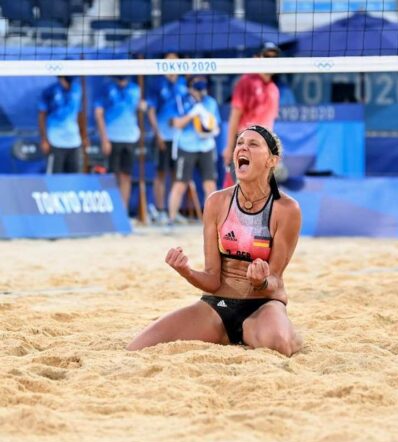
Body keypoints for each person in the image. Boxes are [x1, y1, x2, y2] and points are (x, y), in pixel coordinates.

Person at [127, 125, 303, 356]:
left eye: (253, 144)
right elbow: (212, 279)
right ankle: (229, 334)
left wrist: (260, 282)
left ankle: (281, 331)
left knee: (279, 345)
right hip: (217, 306)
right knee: (138, 347)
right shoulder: (216, 202)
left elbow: (275, 281)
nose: (243, 148)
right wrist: (186, 271)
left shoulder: (286, 209)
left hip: (262, 304)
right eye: (240, 143)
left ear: (272, 160)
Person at [221, 42, 281, 188]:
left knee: (258, 194)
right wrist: (229, 147)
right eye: (267, 56)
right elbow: (234, 117)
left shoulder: (274, 89)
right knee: (234, 191)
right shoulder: (246, 82)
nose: (270, 61)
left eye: (274, 58)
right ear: (257, 58)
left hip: (263, 148)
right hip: (244, 144)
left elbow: (270, 124)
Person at [166, 75, 221, 225]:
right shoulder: (181, 101)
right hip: (187, 146)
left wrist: (210, 130)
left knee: (210, 184)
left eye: (202, 89)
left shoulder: (210, 102)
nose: (200, 92)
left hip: (206, 146)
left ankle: (212, 221)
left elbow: (216, 126)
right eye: (197, 89)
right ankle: (171, 219)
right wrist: (192, 115)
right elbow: (175, 123)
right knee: (180, 184)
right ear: (190, 88)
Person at [146, 53, 188, 225]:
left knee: (177, 176)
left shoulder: (183, 84)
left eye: (175, 61)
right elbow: (150, 111)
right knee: (161, 174)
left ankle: (173, 211)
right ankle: (160, 209)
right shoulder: (157, 84)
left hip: (180, 138)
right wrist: (157, 134)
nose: (172, 64)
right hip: (163, 136)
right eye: (168, 61)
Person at [94, 75, 142, 210]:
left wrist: (142, 107)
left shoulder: (135, 89)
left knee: (126, 176)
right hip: (112, 138)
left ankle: (123, 211)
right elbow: (98, 114)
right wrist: (104, 139)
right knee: (111, 177)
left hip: (130, 138)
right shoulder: (106, 89)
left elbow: (138, 109)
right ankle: (112, 211)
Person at [37, 76, 86, 174]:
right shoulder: (50, 91)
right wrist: (44, 139)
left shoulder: (77, 90)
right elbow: (41, 115)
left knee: (75, 179)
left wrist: (83, 136)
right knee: (55, 181)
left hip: (74, 142)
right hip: (55, 142)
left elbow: (80, 114)